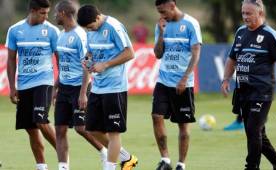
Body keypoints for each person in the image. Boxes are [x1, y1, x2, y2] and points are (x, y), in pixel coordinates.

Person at [221, 0, 276, 169]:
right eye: (243, 13)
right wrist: (225, 79)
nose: (245, 17)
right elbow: (232, 58)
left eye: (249, 13)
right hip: (243, 92)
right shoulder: (240, 32)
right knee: (257, 133)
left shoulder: (270, 35)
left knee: (253, 131)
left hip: (262, 92)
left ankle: (251, 167)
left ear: (260, 13)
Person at [77, 5, 138, 170]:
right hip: (97, 87)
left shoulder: (113, 27)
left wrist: (106, 64)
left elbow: (130, 53)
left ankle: (110, 167)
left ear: (98, 17)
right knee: (92, 129)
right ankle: (127, 158)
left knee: (113, 132)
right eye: (87, 29)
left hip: (115, 87)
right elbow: (90, 52)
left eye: (91, 26)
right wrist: (87, 59)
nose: (90, 30)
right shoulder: (90, 31)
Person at [53, 1, 108, 170]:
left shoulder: (80, 35)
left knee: (81, 128)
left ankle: (105, 151)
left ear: (63, 13)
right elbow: (63, 63)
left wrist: (83, 92)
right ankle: (63, 167)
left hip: (79, 88)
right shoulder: (61, 35)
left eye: (56, 12)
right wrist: (56, 86)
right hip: (64, 88)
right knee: (60, 129)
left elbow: (87, 63)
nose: (54, 15)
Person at [5, 0, 58, 170]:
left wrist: (60, 83)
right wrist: (12, 87)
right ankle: (41, 166)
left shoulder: (52, 31)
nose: (46, 16)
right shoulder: (15, 30)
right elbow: (11, 59)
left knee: (40, 120)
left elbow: (60, 57)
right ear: (33, 11)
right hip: (23, 84)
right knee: (30, 127)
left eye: (47, 13)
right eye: (43, 13)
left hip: (44, 81)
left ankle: (63, 157)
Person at [152, 0, 202, 169]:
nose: (161, 15)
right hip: (164, 81)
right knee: (156, 116)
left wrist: (185, 77)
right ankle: (165, 160)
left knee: (183, 125)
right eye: (159, 12)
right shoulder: (161, 25)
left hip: (183, 83)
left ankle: (181, 164)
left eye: (163, 11)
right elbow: (158, 54)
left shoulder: (191, 24)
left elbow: (196, 53)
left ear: (172, 5)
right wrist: (160, 33)